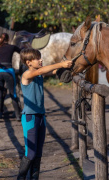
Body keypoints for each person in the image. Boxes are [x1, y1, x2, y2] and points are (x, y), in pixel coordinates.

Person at [17, 48, 72, 180]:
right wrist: (61, 64)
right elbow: (42, 70)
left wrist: (67, 68)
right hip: (30, 118)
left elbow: (50, 71)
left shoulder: (39, 74)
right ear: (29, 62)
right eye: (38, 58)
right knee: (30, 153)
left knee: (38, 154)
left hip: (41, 117)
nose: (41, 60)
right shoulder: (26, 75)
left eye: (40, 57)